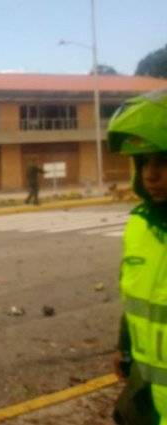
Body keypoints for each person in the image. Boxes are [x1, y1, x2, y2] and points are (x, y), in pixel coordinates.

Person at [108, 89, 167, 425]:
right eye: (144, 162)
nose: (150, 174)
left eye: (162, 161)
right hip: (146, 390)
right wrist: (124, 347)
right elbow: (137, 297)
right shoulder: (139, 225)